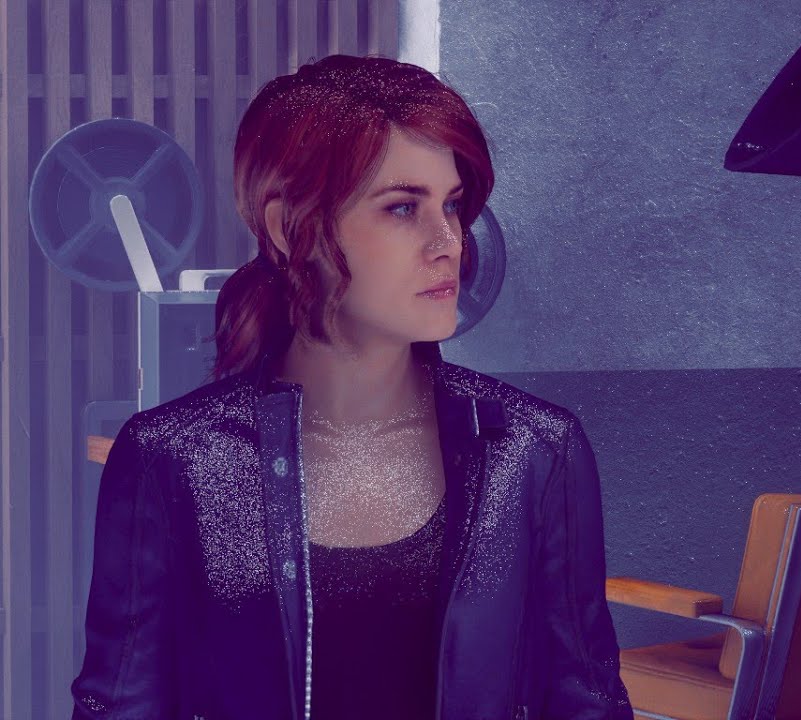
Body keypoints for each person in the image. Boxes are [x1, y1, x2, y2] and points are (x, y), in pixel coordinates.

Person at [70, 54, 633, 719]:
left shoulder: (535, 450)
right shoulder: (171, 457)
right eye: (403, 207)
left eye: (453, 205)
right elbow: (121, 705)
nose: (448, 241)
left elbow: (587, 701)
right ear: (287, 227)